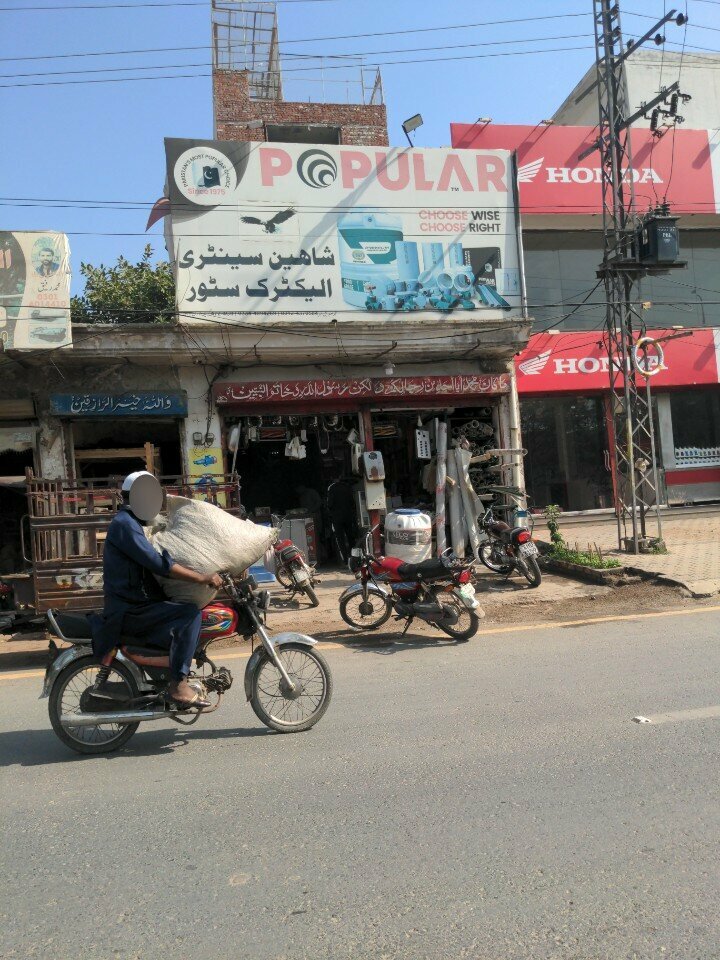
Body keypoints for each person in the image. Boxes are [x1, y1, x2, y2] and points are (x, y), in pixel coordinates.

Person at [90, 471, 222, 707]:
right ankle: (178, 685)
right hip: (130, 609)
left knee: (179, 615)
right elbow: (159, 564)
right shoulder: (124, 525)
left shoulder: (133, 525)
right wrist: (201, 578)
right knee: (189, 614)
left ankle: (171, 672)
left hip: (136, 604)